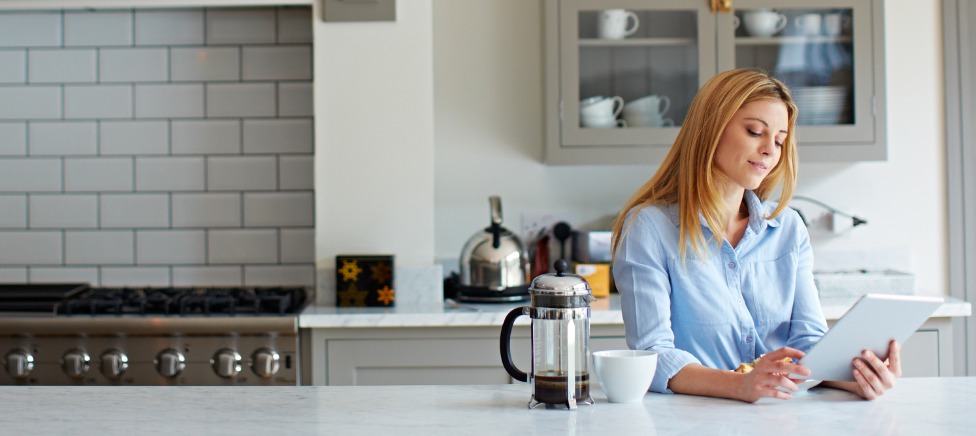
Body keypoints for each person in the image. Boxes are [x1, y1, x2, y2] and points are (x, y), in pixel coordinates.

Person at [610, 68, 900, 403]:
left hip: (782, 417)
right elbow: (653, 353)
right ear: (711, 128)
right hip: (692, 419)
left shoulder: (788, 228)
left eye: (779, 141)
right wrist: (739, 385)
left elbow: (808, 341)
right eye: (755, 132)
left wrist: (855, 378)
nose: (769, 150)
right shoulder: (649, 227)